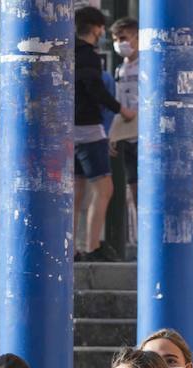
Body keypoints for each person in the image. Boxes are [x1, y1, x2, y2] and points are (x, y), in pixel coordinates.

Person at [73, 6, 133, 262]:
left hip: (69, 130)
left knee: (76, 190)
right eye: (100, 29)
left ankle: (71, 245)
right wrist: (121, 109)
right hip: (88, 129)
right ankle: (92, 246)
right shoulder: (87, 55)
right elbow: (94, 88)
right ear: (96, 27)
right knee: (104, 189)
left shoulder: (67, 51)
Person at [110, 18, 139, 229]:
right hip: (128, 135)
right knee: (134, 188)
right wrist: (114, 134)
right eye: (115, 39)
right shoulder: (120, 69)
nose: (119, 44)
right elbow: (118, 104)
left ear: (137, 38)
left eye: (123, 38)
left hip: (145, 134)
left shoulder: (148, 64)